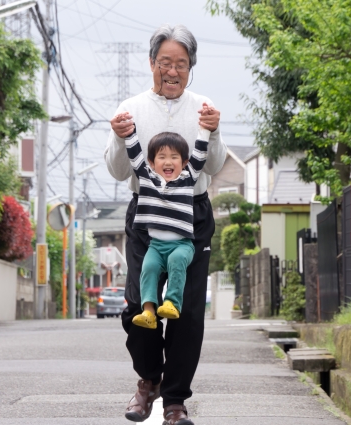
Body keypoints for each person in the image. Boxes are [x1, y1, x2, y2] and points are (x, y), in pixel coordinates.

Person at [105, 24, 226, 425]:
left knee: (187, 314)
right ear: (152, 63)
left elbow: (215, 165)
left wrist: (215, 129)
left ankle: (174, 401)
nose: (172, 72)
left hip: (192, 216)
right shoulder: (132, 107)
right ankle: (148, 380)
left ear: (191, 67)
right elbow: (119, 171)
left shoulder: (203, 106)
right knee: (139, 307)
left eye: (181, 64)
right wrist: (120, 137)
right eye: (165, 63)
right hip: (145, 215)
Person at [124, 116, 212, 330]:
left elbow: (200, 153)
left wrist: (205, 130)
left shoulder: (187, 179)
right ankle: (149, 312)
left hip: (182, 244)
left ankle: (172, 302)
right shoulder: (146, 179)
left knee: (177, 262)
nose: (168, 161)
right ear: (152, 163)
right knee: (148, 268)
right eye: (161, 157)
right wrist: (129, 133)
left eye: (174, 157)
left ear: (184, 163)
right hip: (155, 245)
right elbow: (135, 155)